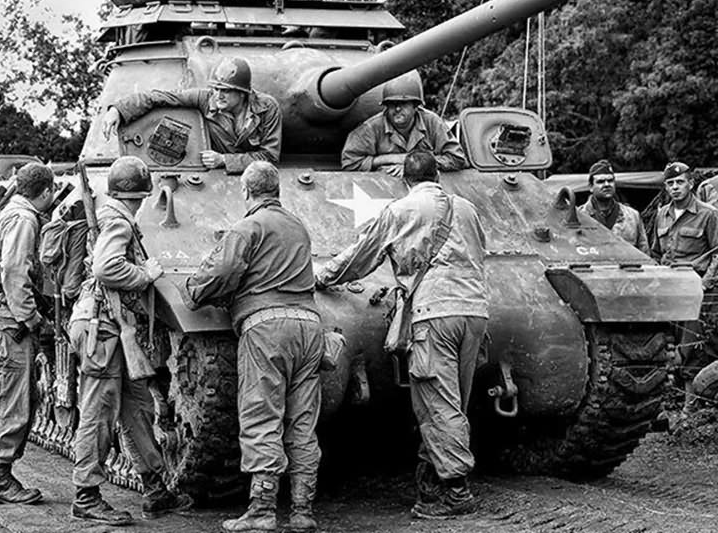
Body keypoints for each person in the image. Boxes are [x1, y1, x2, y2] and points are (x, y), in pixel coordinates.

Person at [316, 151, 488, 519]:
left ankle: (456, 491)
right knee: (454, 401)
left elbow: (360, 257)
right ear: (437, 175)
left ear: (405, 180)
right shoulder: (467, 208)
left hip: (434, 314)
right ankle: (432, 486)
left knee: (438, 403)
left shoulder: (400, 209)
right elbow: (481, 251)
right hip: (475, 311)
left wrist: (323, 276)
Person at [185, 161, 325, 533]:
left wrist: (194, 292)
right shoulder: (298, 226)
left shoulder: (248, 226)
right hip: (310, 327)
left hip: (267, 329)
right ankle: (302, 510)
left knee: (262, 415)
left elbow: (223, 270)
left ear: (246, 191)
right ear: (276, 190)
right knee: (302, 422)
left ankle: (262, 510)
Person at [69, 156, 192, 524]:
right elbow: (105, 267)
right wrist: (144, 274)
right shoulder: (118, 221)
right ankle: (86, 496)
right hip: (102, 328)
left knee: (136, 407)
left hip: (112, 326)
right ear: (138, 196)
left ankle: (155, 489)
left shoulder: (112, 216)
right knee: (99, 412)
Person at [0, 162, 58, 505]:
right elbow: (14, 274)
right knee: (9, 399)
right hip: (10, 324)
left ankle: (1, 475)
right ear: (47, 191)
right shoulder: (23, 219)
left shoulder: (10, 210)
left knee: (14, 396)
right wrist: (33, 320)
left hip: (5, 321)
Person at [101, 57, 281, 174]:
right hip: (216, 176)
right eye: (216, 88)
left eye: (225, 90)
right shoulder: (205, 99)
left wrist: (224, 160)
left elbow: (270, 157)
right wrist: (118, 110)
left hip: (254, 175)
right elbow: (158, 97)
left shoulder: (267, 108)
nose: (218, 95)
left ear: (242, 93)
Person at [650, 161, 718, 405]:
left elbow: (717, 253)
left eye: (680, 182)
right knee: (667, 343)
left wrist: (704, 284)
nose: (675, 187)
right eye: (670, 183)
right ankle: (670, 400)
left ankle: (691, 405)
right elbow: (656, 252)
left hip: (695, 290)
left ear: (690, 183)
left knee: (692, 345)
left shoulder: (708, 214)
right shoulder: (662, 214)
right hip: (668, 289)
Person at [340, 71, 467, 175]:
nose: (397, 109)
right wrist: (388, 159)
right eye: (392, 104)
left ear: (415, 106)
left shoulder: (432, 122)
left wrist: (415, 165)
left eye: (403, 104)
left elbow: (456, 158)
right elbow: (350, 163)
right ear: (386, 106)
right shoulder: (371, 128)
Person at [578, 159, 649, 253]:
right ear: (591, 187)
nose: (607, 185)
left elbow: (645, 253)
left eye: (610, 180)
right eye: (600, 182)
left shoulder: (632, 216)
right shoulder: (579, 217)